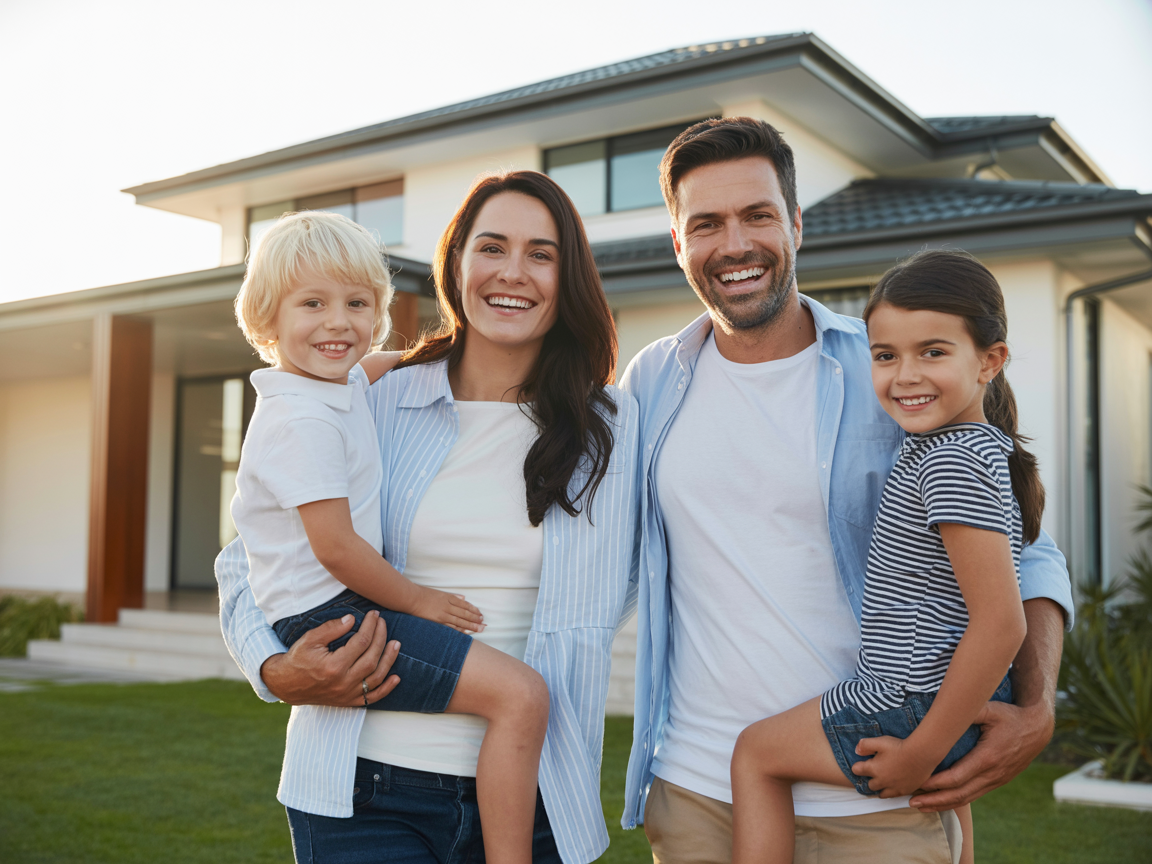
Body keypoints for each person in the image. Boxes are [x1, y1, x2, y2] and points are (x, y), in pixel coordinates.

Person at [618, 117, 1073, 864]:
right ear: (678, 242)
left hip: (879, 799)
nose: (735, 244)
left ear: (796, 224)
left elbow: (1025, 551)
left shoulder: (890, 371)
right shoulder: (652, 381)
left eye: (757, 215)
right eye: (706, 224)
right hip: (700, 791)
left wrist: (1036, 706)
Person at [216, 170, 640, 864]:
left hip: (535, 797)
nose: (513, 272)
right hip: (364, 794)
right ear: (457, 263)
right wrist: (274, 668)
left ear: (568, 278)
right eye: (492, 247)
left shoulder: (614, 427)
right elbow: (248, 556)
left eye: (541, 254)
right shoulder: (374, 399)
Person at [730, 250, 1040, 864]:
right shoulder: (974, 446)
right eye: (885, 355)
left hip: (906, 700)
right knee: (949, 809)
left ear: (990, 360)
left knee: (755, 754)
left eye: (933, 352)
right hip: (942, 696)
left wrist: (924, 749)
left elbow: (1002, 623)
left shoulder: (948, 461)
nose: (905, 376)